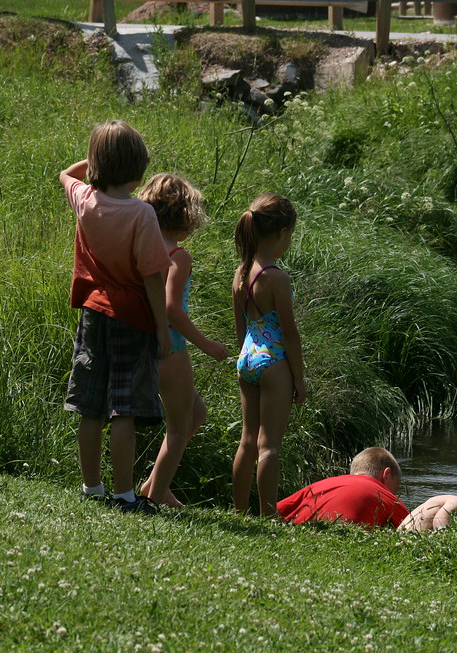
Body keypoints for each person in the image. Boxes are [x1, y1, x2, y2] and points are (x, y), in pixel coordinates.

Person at [59, 120, 171, 515]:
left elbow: (66, 175)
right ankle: (125, 494)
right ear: (140, 169)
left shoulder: (85, 199)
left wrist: (94, 164)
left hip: (92, 312)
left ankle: (92, 486)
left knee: (91, 404)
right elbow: (153, 277)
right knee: (124, 406)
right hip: (132, 317)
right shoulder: (142, 215)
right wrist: (162, 327)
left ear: (96, 165)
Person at [135, 174, 230, 508]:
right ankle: (155, 499)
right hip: (171, 347)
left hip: (142, 340)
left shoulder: (141, 245)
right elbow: (172, 308)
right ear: (185, 218)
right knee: (180, 426)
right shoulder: (178, 255)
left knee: (197, 412)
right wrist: (207, 344)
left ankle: (154, 485)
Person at [231, 193, 305, 516]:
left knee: (247, 441)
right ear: (282, 233)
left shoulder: (240, 273)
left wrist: (246, 358)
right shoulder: (276, 278)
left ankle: (239, 509)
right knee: (269, 445)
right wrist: (299, 379)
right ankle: (268, 515)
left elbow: (240, 327)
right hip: (274, 362)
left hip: (247, 358)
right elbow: (289, 333)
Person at [277, 447, 410, 528]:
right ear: (386, 475)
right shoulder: (385, 496)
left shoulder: (319, 485)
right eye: (393, 490)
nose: (392, 494)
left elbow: (274, 510)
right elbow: (411, 530)